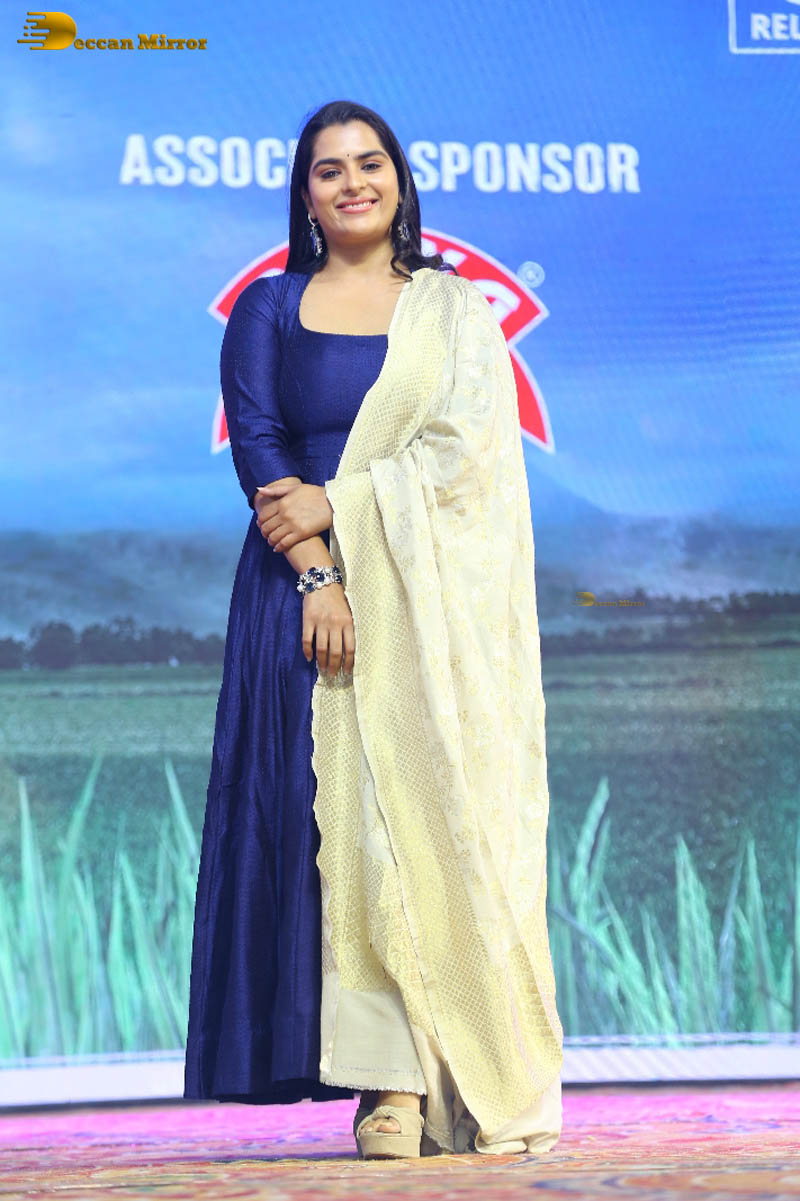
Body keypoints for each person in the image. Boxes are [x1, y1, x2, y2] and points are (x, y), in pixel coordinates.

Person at [184, 99, 564, 1160]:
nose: (352, 182)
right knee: (330, 834)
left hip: (424, 604)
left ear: (399, 180)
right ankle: (376, 1077)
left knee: (409, 821)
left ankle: (424, 1076)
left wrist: (346, 505)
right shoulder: (270, 307)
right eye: (328, 170)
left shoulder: (451, 311)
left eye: (369, 163)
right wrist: (319, 574)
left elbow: (466, 459)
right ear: (303, 196)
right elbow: (261, 450)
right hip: (296, 595)